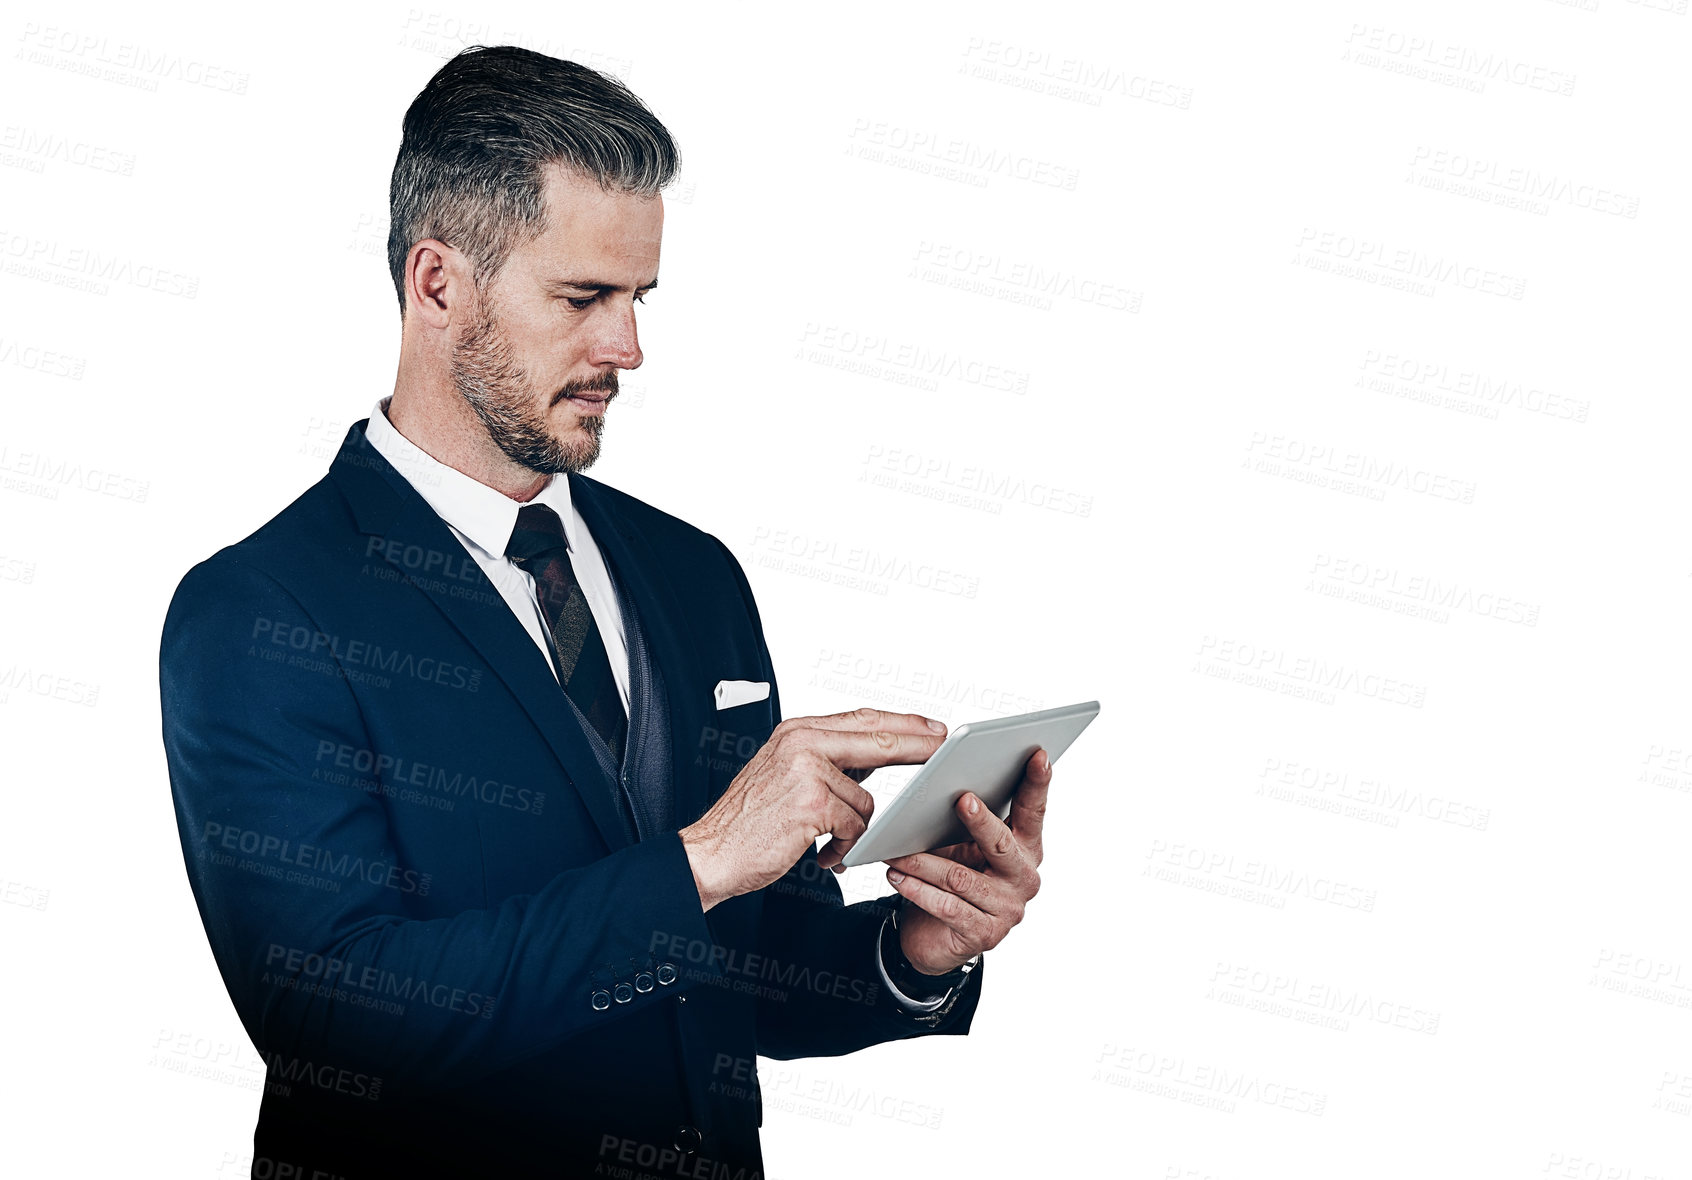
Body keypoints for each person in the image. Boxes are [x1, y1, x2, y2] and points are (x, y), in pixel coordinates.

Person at [158, 45, 1052, 1179]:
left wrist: (913, 949)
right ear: (438, 285)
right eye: (584, 298)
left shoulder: (694, 574)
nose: (627, 349)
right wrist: (704, 856)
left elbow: (732, 961)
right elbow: (332, 1022)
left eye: (638, 299)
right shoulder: (256, 612)